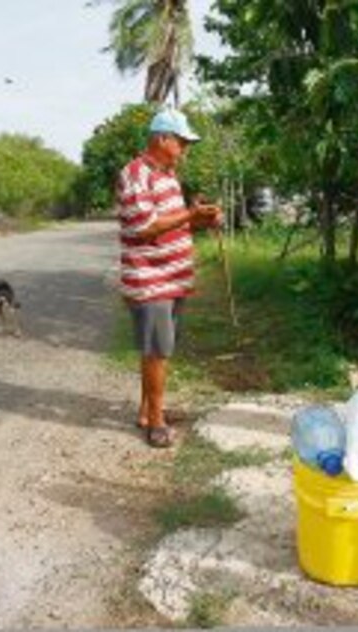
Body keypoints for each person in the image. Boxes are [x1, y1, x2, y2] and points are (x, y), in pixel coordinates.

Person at [116, 108, 222, 448]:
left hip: (173, 278)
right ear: (162, 139)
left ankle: (148, 411)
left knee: (158, 350)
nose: (186, 149)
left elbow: (175, 222)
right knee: (157, 350)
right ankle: (157, 422)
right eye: (182, 142)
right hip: (150, 279)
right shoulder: (135, 174)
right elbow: (145, 227)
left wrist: (203, 219)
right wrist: (191, 213)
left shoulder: (169, 176)